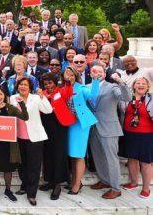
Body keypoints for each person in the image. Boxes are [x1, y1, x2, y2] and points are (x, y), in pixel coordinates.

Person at [89, 65, 132, 199]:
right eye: (94, 71)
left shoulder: (112, 87)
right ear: (90, 73)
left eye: (100, 71)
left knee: (111, 159)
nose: (97, 73)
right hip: (93, 127)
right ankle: (104, 180)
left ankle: (116, 188)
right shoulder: (88, 86)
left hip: (109, 128)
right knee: (98, 156)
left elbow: (127, 97)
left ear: (104, 73)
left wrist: (120, 81)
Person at [10, 77, 52, 206]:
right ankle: (24, 185)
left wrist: (42, 96)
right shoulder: (13, 98)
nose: (23, 86)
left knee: (34, 166)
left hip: (35, 137)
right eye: (21, 84)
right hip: (19, 137)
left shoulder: (35, 98)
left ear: (30, 87)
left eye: (25, 85)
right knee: (22, 165)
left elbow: (48, 110)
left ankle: (32, 193)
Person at [0, 85, 28, 203]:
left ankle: (8, 190)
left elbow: (25, 117)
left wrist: (22, 104)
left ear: (5, 95)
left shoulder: (11, 108)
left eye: (1, 94)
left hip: (9, 145)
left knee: (8, 169)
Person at [62, 66, 100, 195]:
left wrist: (95, 81)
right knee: (72, 155)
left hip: (80, 125)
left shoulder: (82, 88)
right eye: (66, 74)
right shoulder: (62, 89)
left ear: (75, 76)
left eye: (71, 74)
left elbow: (94, 95)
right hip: (69, 124)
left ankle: (77, 184)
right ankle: (74, 181)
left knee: (78, 155)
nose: (69, 76)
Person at [40, 73, 74, 200]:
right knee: (48, 154)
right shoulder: (42, 93)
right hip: (45, 127)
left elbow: (68, 92)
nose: (48, 85)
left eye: (50, 83)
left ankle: (57, 185)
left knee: (59, 155)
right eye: (46, 83)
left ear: (55, 82)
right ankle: (50, 181)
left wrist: (68, 82)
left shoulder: (62, 91)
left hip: (59, 127)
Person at [120, 77, 153, 198]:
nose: (140, 85)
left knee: (146, 162)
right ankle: (134, 183)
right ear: (133, 86)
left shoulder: (151, 98)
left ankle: (146, 188)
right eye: (138, 83)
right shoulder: (127, 99)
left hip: (147, 135)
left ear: (147, 86)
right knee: (132, 159)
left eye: (143, 83)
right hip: (129, 133)